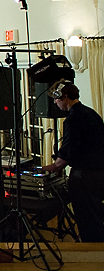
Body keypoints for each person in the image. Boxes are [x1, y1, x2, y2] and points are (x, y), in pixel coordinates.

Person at [42, 83, 104, 242]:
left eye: (56, 99)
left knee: (87, 219)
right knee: (97, 216)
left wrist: (53, 167)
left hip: (84, 177)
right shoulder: (90, 112)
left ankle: (92, 256)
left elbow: (69, 150)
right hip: (99, 174)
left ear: (65, 96)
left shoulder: (74, 118)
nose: (55, 103)